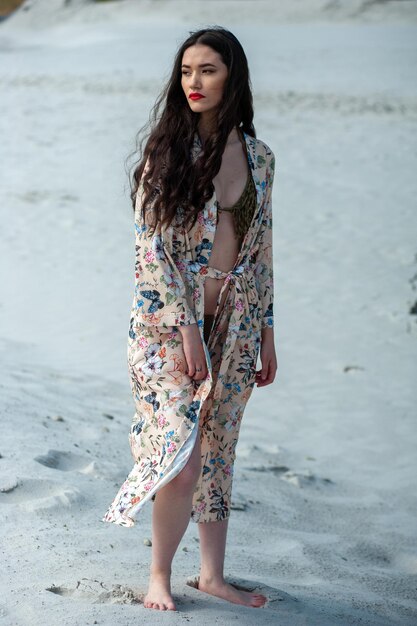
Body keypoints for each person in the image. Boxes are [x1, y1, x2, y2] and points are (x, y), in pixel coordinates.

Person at [102, 26, 277, 611]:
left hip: (236, 324)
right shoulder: (167, 152)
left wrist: (268, 332)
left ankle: (212, 575)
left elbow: (262, 249)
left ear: (233, 76)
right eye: (185, 71)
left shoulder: (259, 157)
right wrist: (184, 329)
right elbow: (149, 251)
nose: (193, 83)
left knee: (218, 446)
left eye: (207, 70)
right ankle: (159, 574)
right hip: (164, 329)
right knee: (180, 451)